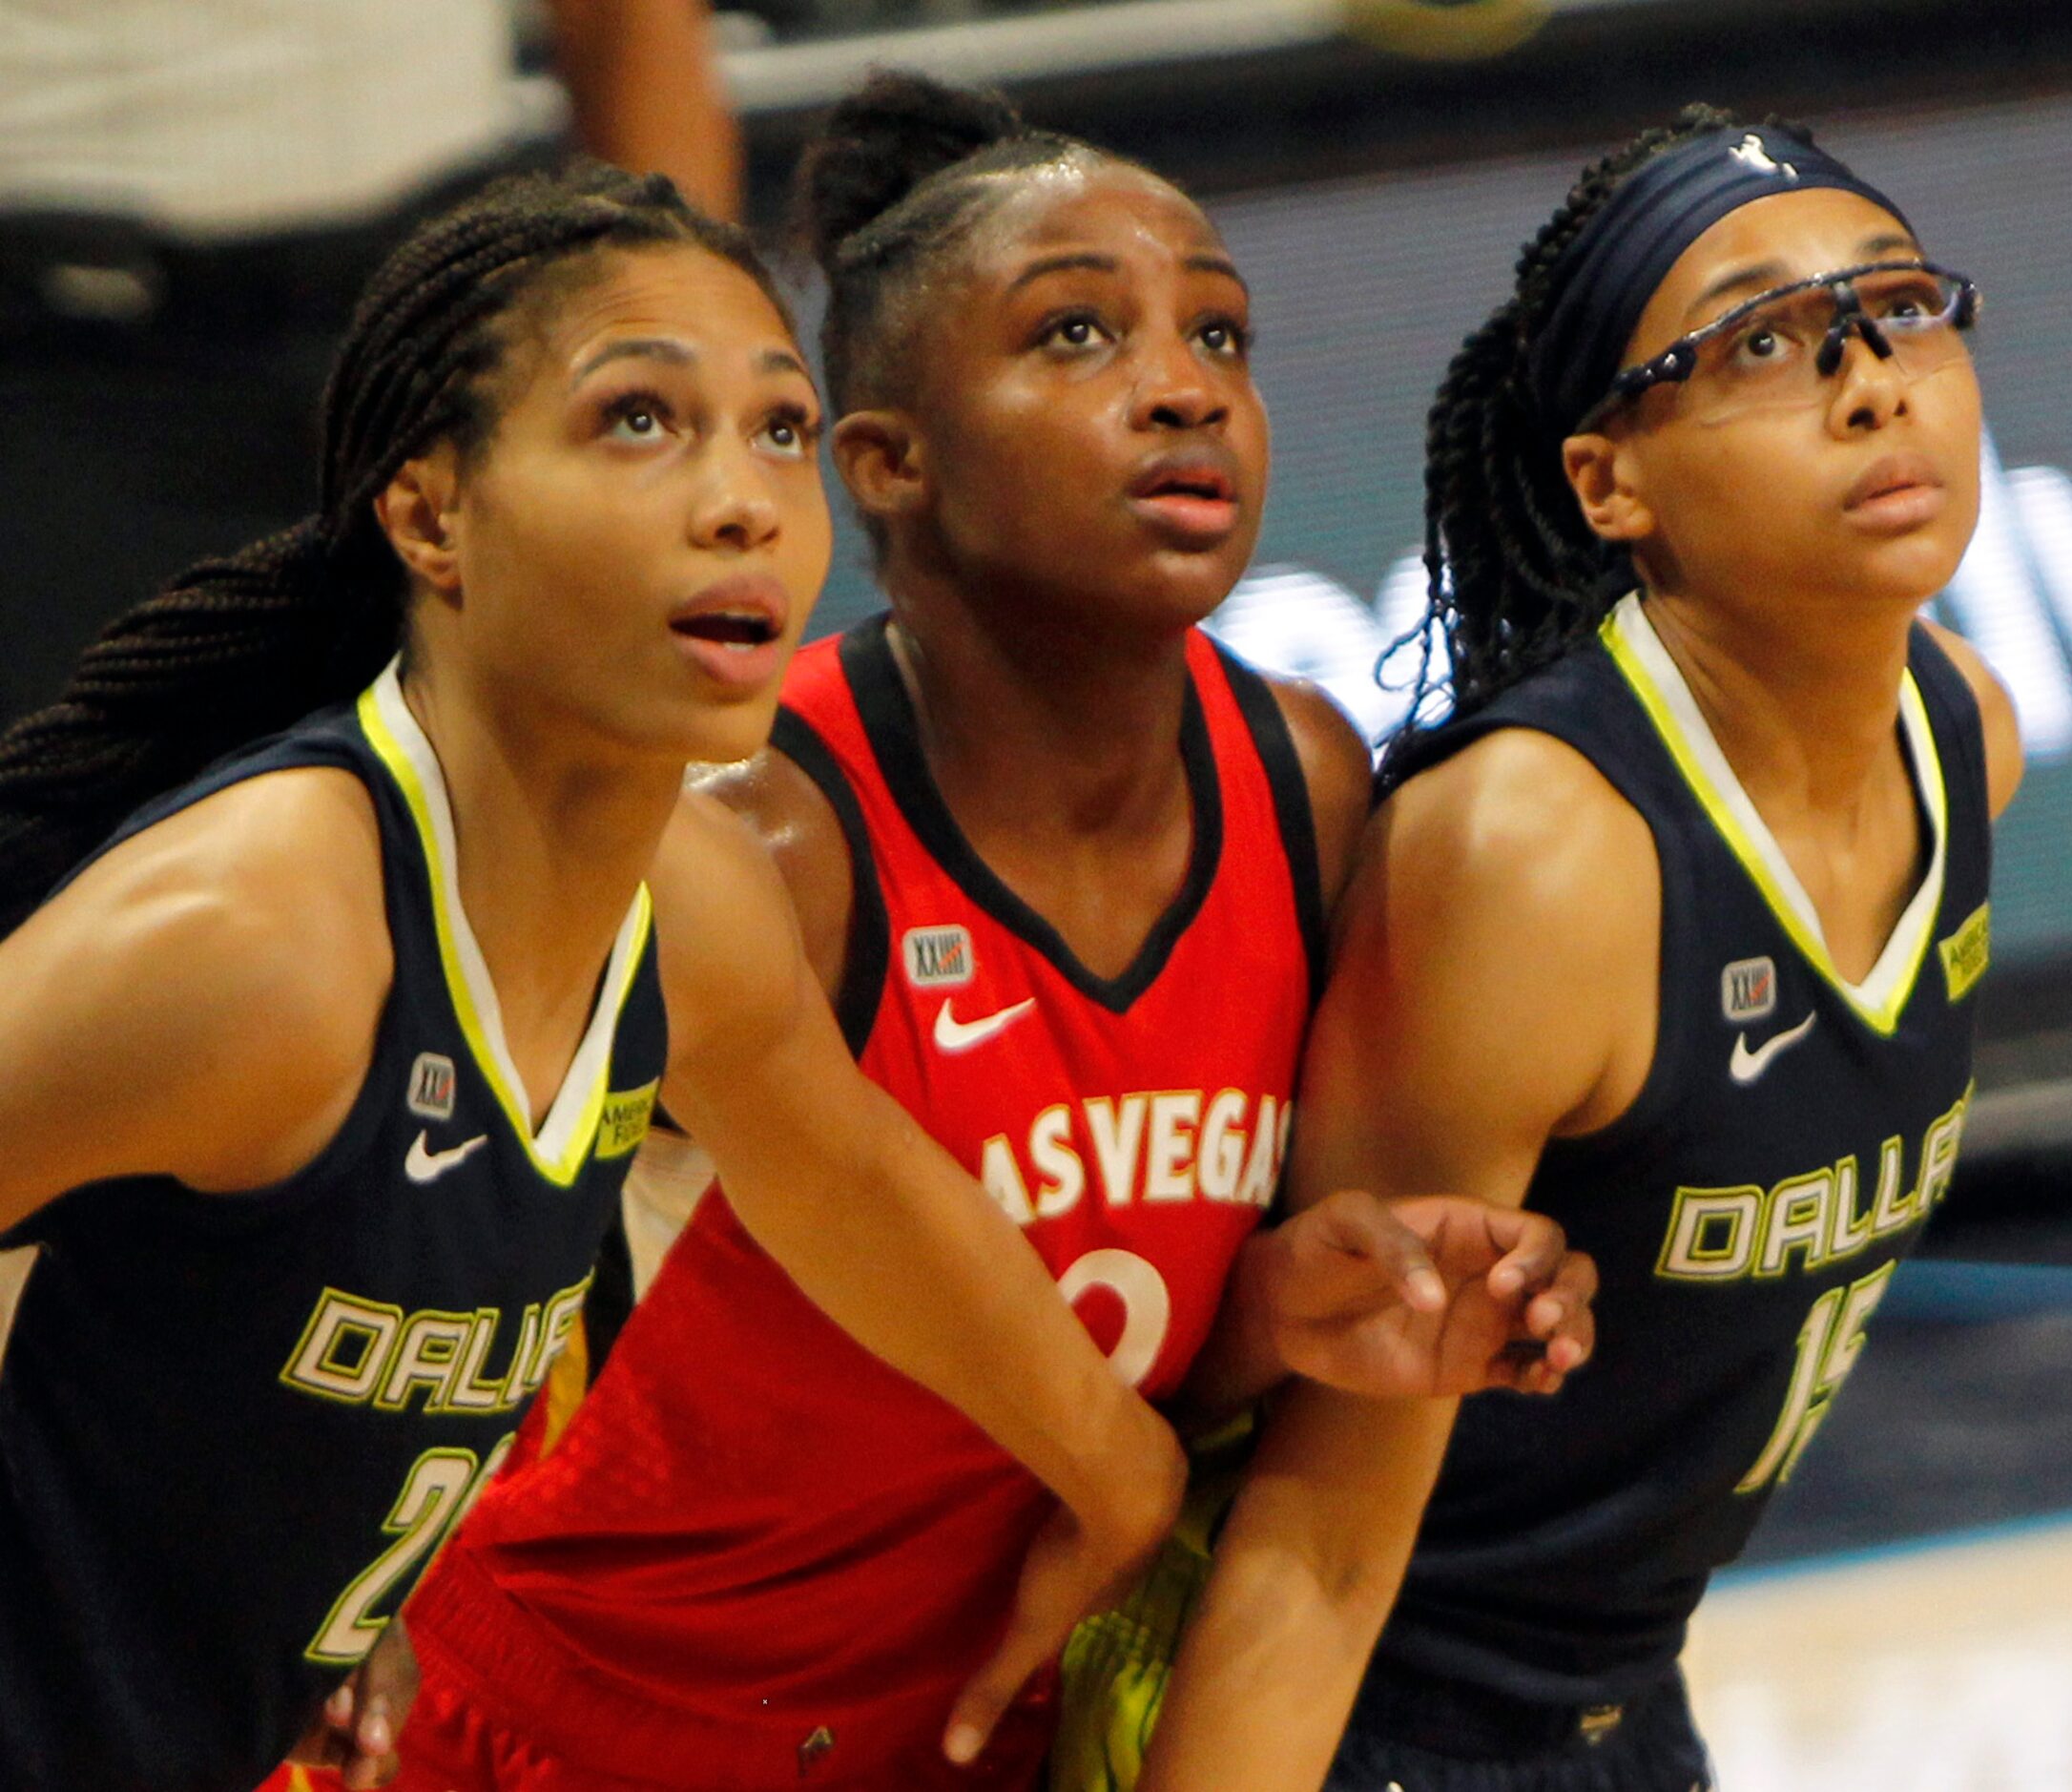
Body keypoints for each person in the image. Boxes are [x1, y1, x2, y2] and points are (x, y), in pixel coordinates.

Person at [382, 73, 1597, 1792]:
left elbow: (1119, 1329)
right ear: (886, 460)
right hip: (591, 1727)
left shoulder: (1298, 778)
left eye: (1219, 338)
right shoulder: (764, 839)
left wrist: (1297, 1307)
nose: (1183, 388)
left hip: (983, 1724)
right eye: (1078, 335)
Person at [0, 160, 1190, 1792]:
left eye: (777, 427)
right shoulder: (266, 938)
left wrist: (1120, 1475)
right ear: (433, 516)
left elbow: (843, 1178)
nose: (742, 500)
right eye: (639, 420)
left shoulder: (682, 902)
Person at [1128, 108, 2025, 1791]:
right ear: (1606, 478)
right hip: (1384, 1720)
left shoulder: (1957, 733)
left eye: (1895, 307)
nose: (1869, 380)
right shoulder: (1535, 851)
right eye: (1759, 340)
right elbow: (1316, 1540)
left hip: (1619, 1692)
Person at [0, 0, 742, 731]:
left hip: (461, 319)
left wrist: (691, 353)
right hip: (63, 355)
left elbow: (627, 22)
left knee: (584, 809)